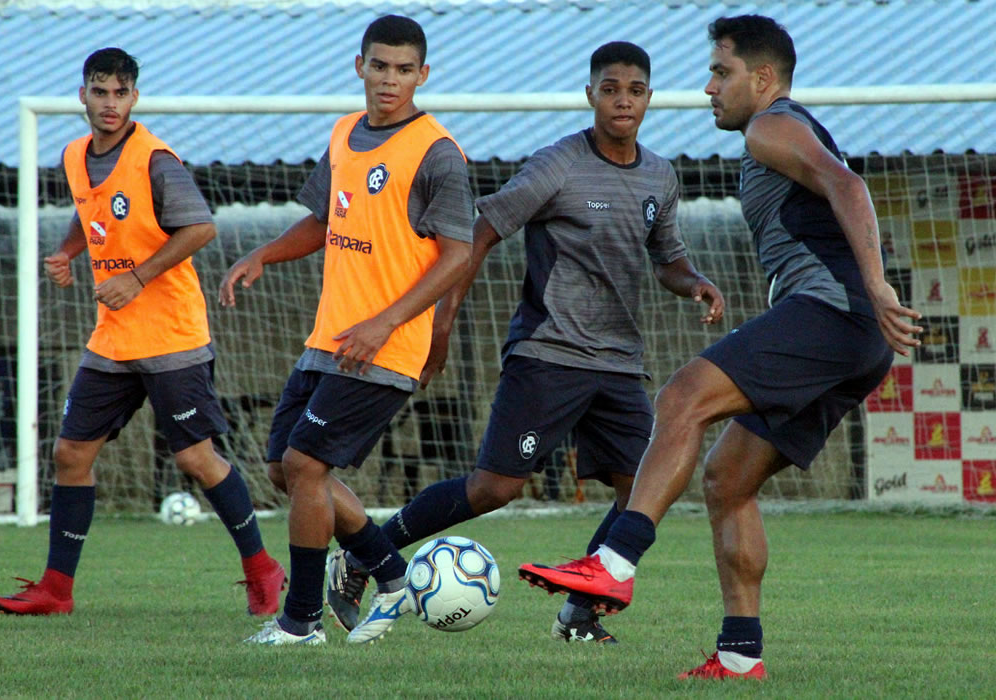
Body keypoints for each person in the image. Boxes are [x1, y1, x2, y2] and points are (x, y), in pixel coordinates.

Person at [518, 15, 924, 678]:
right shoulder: (774, 134)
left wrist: (876, 286)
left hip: (833, 314)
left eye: (720, 72)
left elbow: (849, 186)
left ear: (761, 78)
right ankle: (739, 655)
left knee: (682, 397)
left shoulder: (772, 125)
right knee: (727, 480)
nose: (708, 87)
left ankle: (613, 564)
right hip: (852, 334)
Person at [325, 41, 725, 645]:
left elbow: (668, 258)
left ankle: (579, 614)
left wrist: (693, 283)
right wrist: (441, 324)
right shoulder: (557, 164)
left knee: (643, 489)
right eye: (610, 89)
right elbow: (478, 232)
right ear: (590, 94)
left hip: (619, 364)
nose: (623, 100)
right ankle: (364, 554)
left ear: (649, 98)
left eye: (635, 90)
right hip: (548, 354)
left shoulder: (660, 175)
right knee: (495, 490)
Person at [0, 48, 285, 617]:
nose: (109, 103)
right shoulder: (76, 155)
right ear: (83, 95)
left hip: (172, 337)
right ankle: (57, 590)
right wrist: (68, 251)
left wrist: (136, 276)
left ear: (135, 97)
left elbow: (200, 227)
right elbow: (92, 208)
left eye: (120, 93)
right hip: (112, 338)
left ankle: (262, 569)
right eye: (99, 92)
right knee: (71, 454)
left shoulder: (155, 159)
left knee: (197, 460)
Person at [220, 15, 473, 645]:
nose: (391, 79)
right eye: (380, 66)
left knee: (307, 465)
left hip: (384, 346)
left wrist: (386, 323)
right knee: (285, 468)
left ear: (424, 74)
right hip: (327, 339)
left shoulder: (437, 152)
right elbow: (325, 221)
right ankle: (387, 567)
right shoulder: (343, 134)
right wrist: (263, 255)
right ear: (359, 66)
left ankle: (300, 621)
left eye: (404, 69)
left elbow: (458, 254)